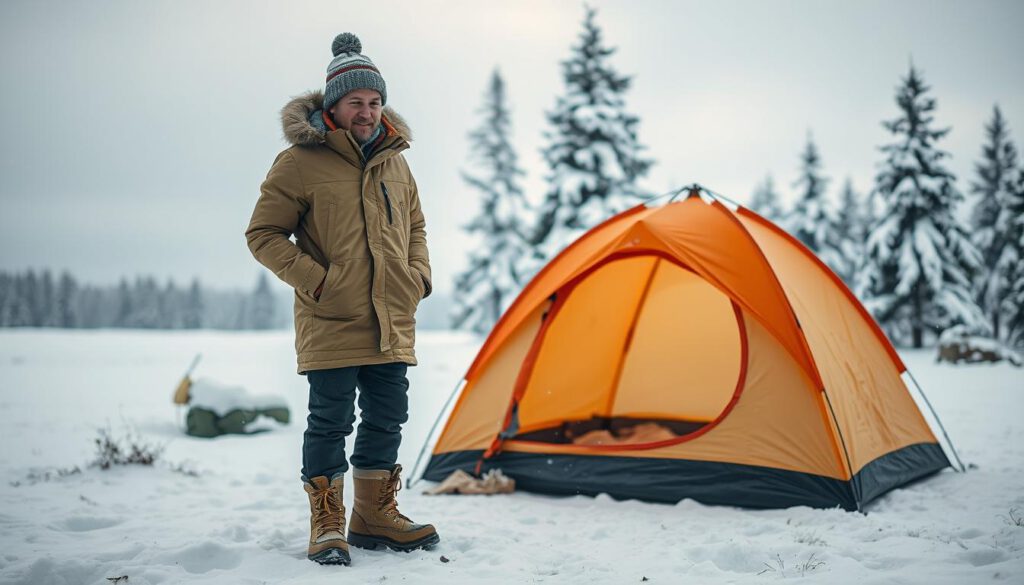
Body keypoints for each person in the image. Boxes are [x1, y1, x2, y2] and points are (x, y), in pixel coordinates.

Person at [245, 32, 438, 566]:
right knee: (330, 420)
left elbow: (416, 224)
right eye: (357, 102)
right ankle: (327, 520)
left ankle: (374, 515)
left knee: (388, 415)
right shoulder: (299, 162)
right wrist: (317, 280)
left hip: (391, 316)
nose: (368, 112)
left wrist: (417, 275)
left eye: (375, 102)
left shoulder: (396, 161)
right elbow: (263, 234)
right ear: (334, 104)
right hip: (332, 315)